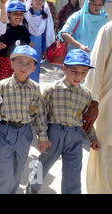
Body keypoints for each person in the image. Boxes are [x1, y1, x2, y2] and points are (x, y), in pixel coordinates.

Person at [0, 45, 51, 194]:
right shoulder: (3, 86)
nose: (24, 66)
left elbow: (39, 115)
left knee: (18, 170)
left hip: (25, 133)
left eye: (29, 63)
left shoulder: (35, 89)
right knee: (5, 170)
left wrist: (42, 137)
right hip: (5, 132)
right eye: (19, 62)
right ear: (11, 64)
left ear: (35, 67)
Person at [27, 49, 100, 194]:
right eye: (74, 71)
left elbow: (85, 120)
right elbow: (40, 114)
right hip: (54, 133)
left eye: (83, 72)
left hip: (75, 136)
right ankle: (33, 186)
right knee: (44, 162)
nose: (78, 76)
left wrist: (93, 137)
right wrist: (42, 136)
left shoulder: (85, 94)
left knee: (73, 169)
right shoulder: (52, 90)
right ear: (64, 68)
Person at [0, 1, 32, 111]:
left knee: (13, 89)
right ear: (9, 14)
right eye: (15, 14)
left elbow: (26, 47)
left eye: (21, 14)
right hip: (0, 64)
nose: (18, 17)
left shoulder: (23, 30)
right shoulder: (1, 29)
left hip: (16, 65)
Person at [84, 21, 112, 193]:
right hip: (108, 108)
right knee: (105, 155)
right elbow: (96, 66)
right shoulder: (109, 29)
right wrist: (92, 102)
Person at [25, 0, 55, 82]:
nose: (38, 1)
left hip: (38, 46)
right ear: (31, 0)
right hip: (26, 44)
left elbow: (47, 33)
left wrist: (45, 49)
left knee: (35, 67)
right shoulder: (25, 14)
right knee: (24, 66)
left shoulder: (45, 17)